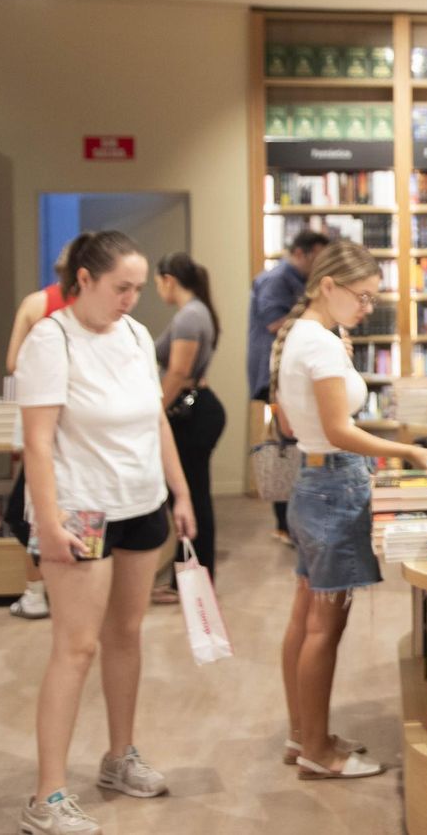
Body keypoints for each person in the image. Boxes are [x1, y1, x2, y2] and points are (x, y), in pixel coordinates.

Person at [15, 231, 198, 835]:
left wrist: (180, 491)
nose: (131, 299)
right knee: (76, 647)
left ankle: (120, 757)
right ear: (84, 281)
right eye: (121, 287)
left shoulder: (139, 334)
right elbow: (37, 443)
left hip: (140, 503)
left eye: (139, 289)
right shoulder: (52, 338)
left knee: (127, 634)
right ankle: (48, 796)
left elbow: (154, 419)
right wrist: (48, 523)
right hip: (81, 511)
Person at [271, 240, 427, 779]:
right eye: (362, 297)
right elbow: (342, 430)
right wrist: (407, 449)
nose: (367, 309)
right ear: (329, 286)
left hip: (312, 482)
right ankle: (319, 752)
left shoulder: (306, 336)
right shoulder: (319, 345)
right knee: (326, 625)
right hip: (334, 490)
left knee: (306, 617)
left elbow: (293, 421)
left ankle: (305, 735)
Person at [2, 243, 74, 620]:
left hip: (45, 422)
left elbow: (14, 362)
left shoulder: (36, 304)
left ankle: (36, 592)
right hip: (80, 427)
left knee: (30, 510)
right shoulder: (97, 312)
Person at [150, 253, 227, 602]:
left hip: (193, 414)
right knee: (194, 495)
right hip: (199, 410)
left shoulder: (189, 316)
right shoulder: (197, 312)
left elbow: (178, 373)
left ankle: (193, 582)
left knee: (191, 497)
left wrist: (153, 412)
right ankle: (192, 579)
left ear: (168, 279)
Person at [248, 229, 329, 544]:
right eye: (318, 257)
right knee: (285, 443)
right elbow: (272, 321)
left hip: (283, 373)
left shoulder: (289, 278)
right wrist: (315, 319)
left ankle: (290, 522)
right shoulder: (278, 278)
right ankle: (286, 523)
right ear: (302, 252)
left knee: (290, 443)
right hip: (275, 376)